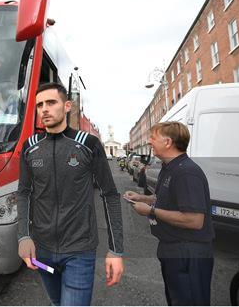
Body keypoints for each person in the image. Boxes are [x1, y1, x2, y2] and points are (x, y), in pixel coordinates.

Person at [17, 82, 124, 306]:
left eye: (51, 102)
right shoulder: (30, 147)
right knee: (57, 302)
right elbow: (24, 193)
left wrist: (116, 250)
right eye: (39, 105)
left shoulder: (89, 144)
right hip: (43, 250)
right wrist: (23, 236)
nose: (44, 109)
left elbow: (110, 195)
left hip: (79, 252)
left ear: (67, 106)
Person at [124, 122, 215, 306]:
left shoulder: (187, 172)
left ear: (168, 142)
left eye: (153, 138)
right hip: (173, 249)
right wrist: (142, 198)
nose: (149, 141)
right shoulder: (170, 167)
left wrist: (150, 211)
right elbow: (167, 199)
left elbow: (194, 220)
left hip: (188, 252)